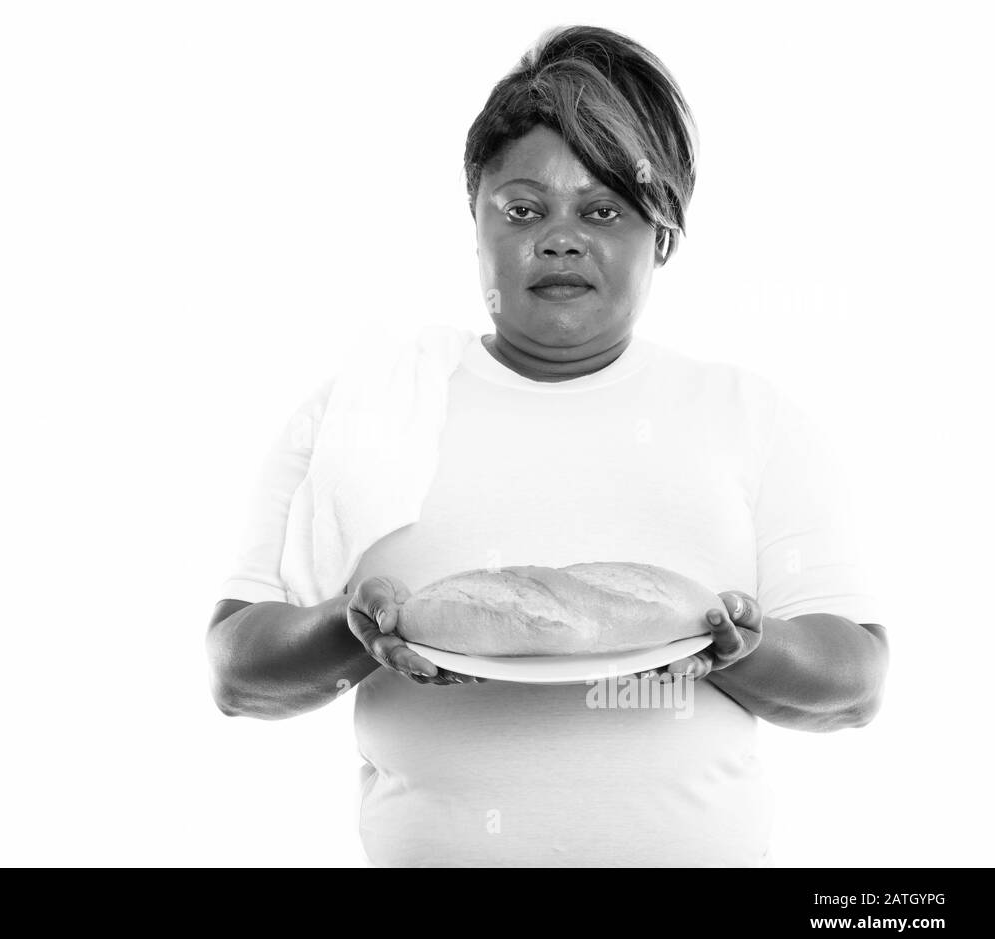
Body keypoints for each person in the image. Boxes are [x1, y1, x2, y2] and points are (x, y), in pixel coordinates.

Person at [205, 24, 888, 867]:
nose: (560, 237)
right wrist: (356, 629)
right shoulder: (362, 407)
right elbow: (237, 672)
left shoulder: (746, 413)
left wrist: (739, 646)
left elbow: (853, 683)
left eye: (602, 209)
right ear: (475, 221)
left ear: (661, 232)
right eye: (524, 208)